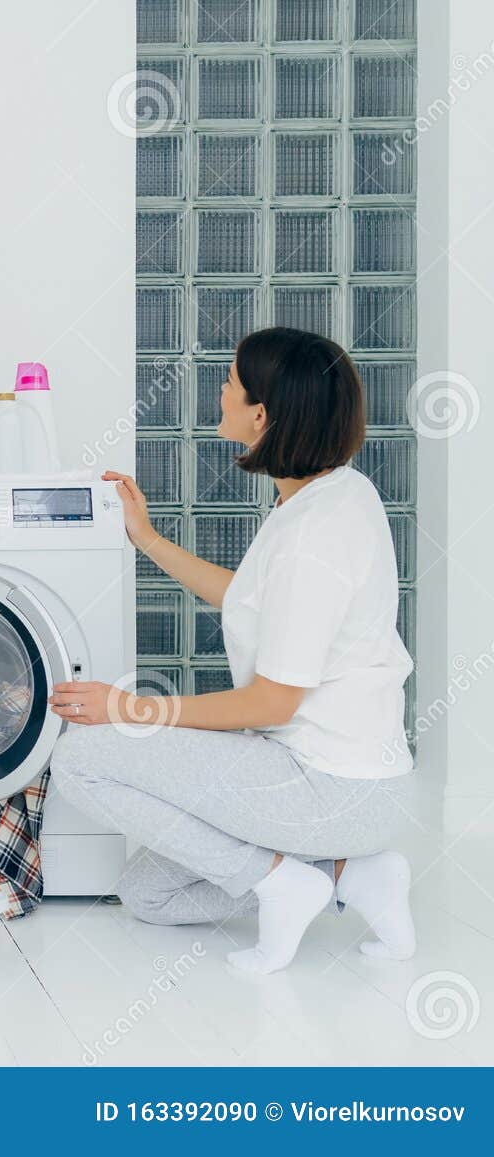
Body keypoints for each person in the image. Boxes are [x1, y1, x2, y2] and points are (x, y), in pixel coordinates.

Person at [48, 327, 417, 974]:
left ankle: (284, 883)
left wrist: (125, 708)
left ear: (262, 415)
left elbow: (272, 700)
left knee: (80, 758)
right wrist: (151, 541)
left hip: (324, 786)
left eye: (230, 381)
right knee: (148, 893)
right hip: (353, 788)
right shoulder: (335, 493)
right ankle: (350, 873)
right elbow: (253, 599)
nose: (219, 389)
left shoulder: (314, 537)